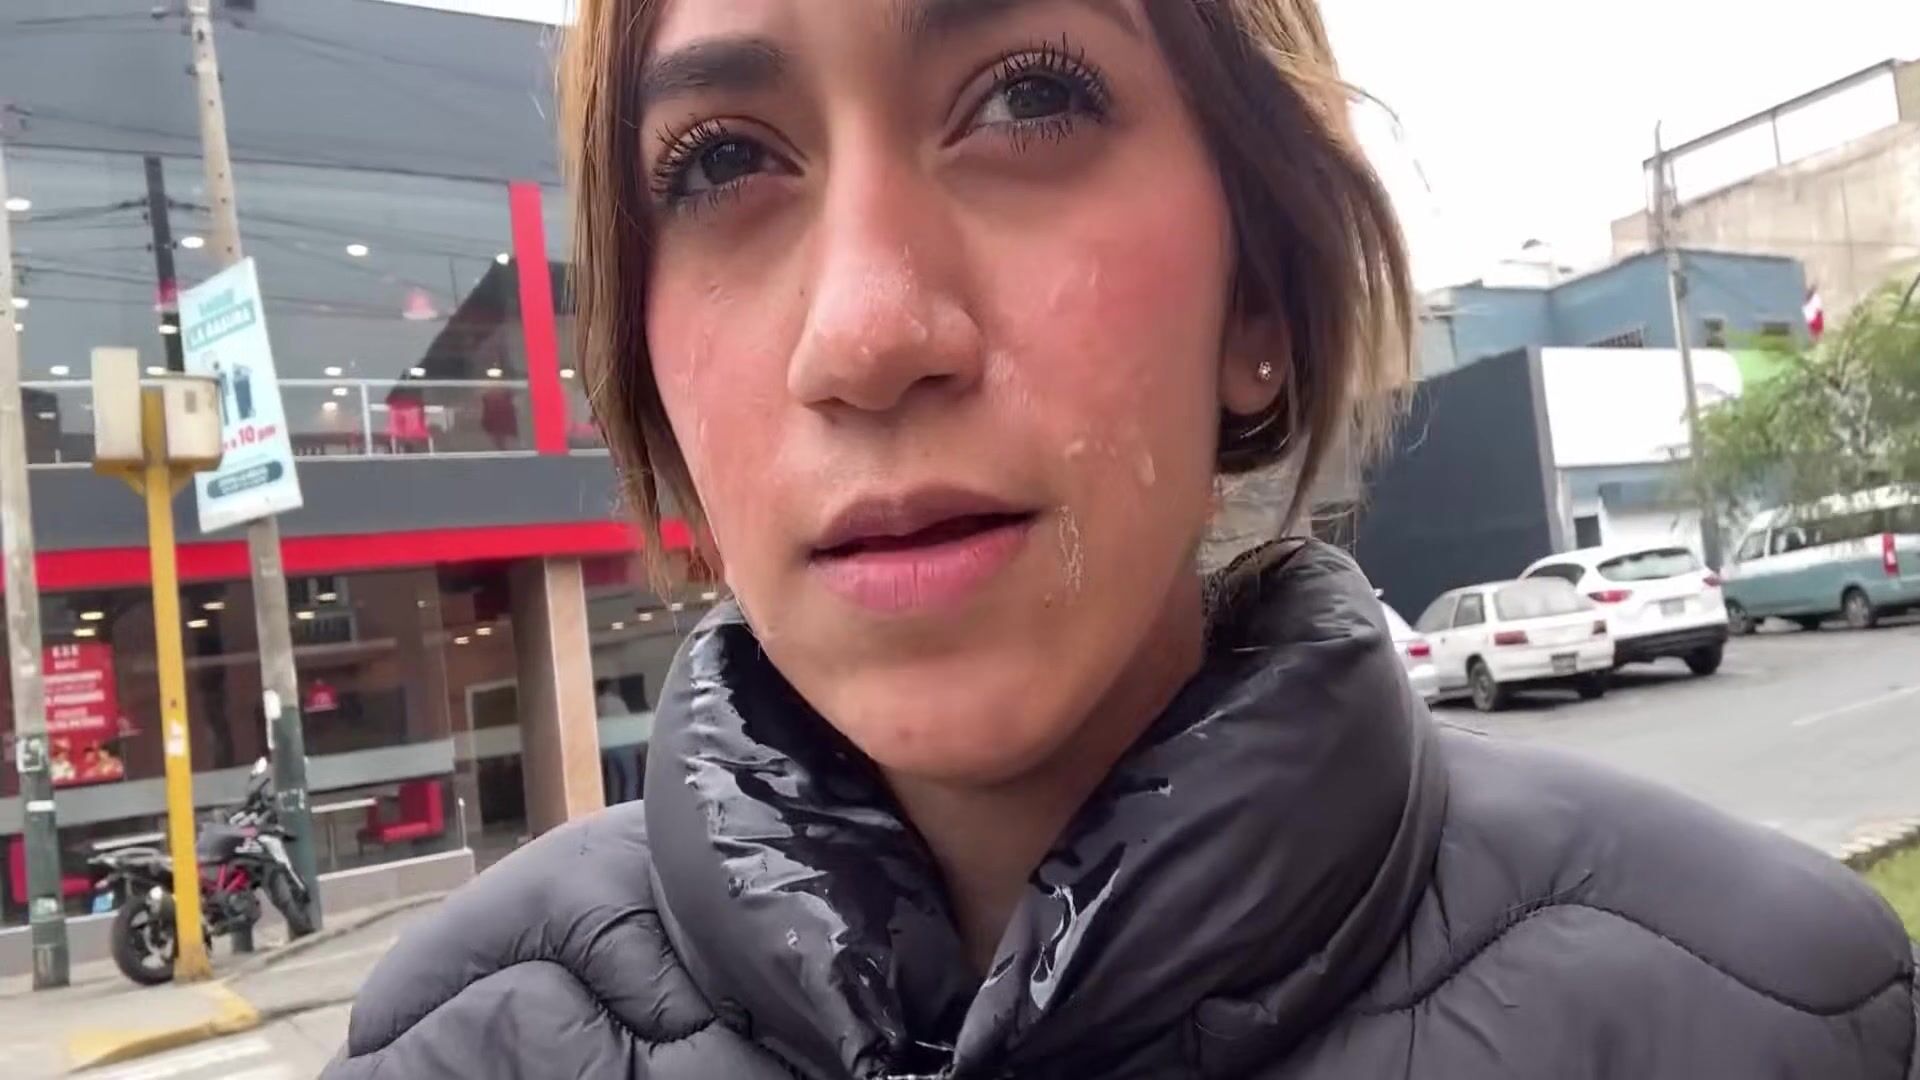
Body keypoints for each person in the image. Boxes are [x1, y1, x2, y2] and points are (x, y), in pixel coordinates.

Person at [327, 2, 1919, 1077]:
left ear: (1259, 296)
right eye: (725, 160)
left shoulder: (1774, 1011)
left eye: (1028, 97)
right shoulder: (451, 1049)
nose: (867, 334)